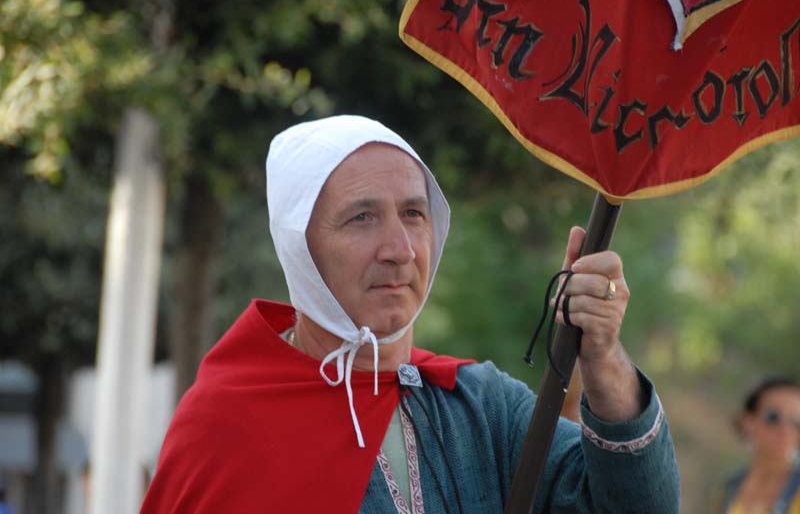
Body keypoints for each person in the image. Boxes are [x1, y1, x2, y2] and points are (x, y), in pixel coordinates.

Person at [140, 115, 680, 513]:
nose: (399, 247)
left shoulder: (480, 407)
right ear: (299, 246)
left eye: (413, 214)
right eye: (361, 217)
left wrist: (603, 358)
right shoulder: (225, 428)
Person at [719, 377, 800, 514]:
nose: (786, 430)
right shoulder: (730, 488)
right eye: (773, 417)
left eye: (797, 421)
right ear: (748, 422)